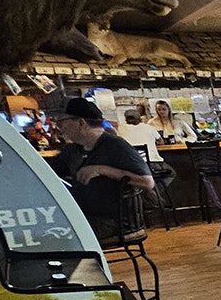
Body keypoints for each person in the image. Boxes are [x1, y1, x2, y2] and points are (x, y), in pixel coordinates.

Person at [54, 96, 154, 240]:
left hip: (114, 221)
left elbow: (147, 182)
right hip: (83, 215)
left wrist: (102, 169)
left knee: (56, 235)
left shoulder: (115, 146)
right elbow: (50, 171)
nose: (59, 127)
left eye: (62, 122)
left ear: (81, 123)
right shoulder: (73, 150)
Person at [116, 107, 177, 206]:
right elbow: (160, 142)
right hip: (152, 164)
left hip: (130, 167)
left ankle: (145, 191)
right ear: (139, 118)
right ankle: (151, 190)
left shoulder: (121, 129)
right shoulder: (149, 128)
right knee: (171, 173)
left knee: (135, 181)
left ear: (126, 119)